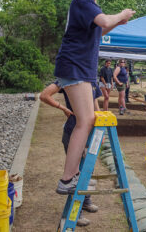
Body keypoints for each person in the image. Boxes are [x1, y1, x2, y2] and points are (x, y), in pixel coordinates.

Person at [53, 0, 136, 194]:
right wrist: (121, 13)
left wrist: (117, 22)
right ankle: (67, 179)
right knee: (85, 121)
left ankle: (75, 174)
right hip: (74, 68)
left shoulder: (87, 3)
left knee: (87, 121)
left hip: (80, 70)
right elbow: (103, 20)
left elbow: (99, 30)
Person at [40, 81, 101, 226]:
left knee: (88, 170)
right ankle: (76, 213)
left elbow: (95, 104)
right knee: (76, 175)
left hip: (89, 133)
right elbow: (44, 95)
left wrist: (99, 126)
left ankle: (86, 201)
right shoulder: (69, 78)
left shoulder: (92, 80)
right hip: (72, 133)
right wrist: (63, 108)